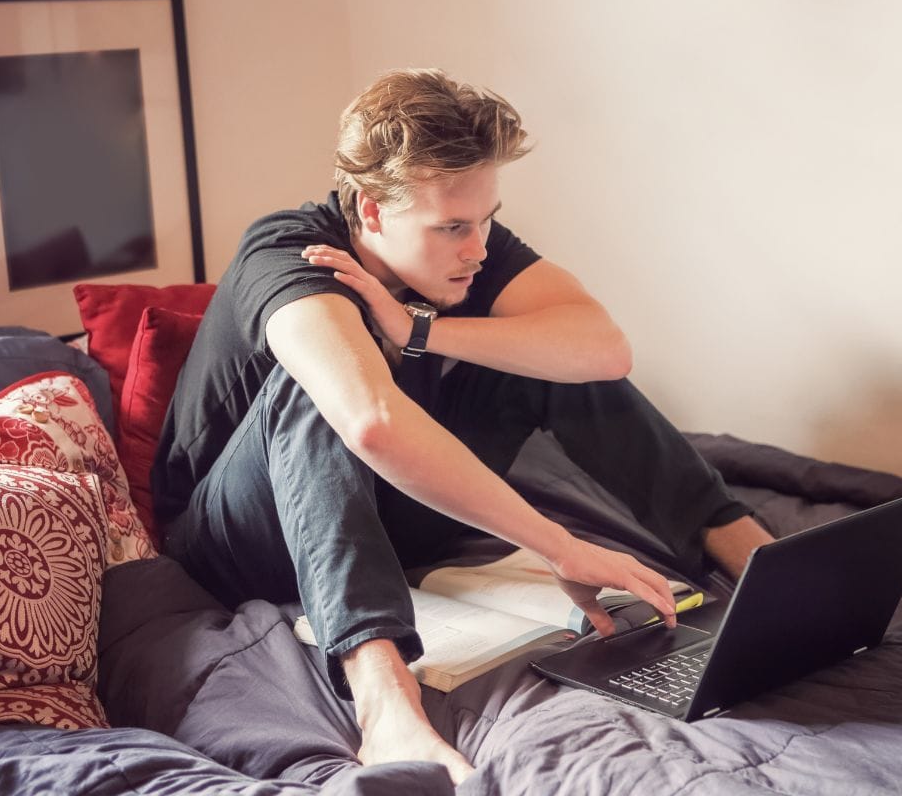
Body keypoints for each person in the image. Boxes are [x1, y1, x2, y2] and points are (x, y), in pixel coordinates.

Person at [152, 68, 773, 785]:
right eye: (452, 227)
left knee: (544, 360)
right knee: (320, 387)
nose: (477, 247)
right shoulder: (291, 254)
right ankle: (384, 701)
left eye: (485, 220)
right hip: (243, 540)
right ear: (372, 210)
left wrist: (417, 330)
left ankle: (757, 557)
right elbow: (371, 422)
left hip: (385, 511)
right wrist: (559, 546)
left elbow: (604, 350)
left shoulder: (467, 245)